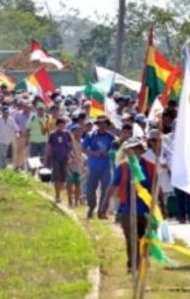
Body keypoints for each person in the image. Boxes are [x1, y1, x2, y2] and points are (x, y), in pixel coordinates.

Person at [100, 137, 158, 272]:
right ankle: (133, 265)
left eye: (137, 149)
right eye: (131, 150)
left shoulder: (150, 166)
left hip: (146, 209)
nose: (134, 152)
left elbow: (156, 187)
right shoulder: (123, 167)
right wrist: (104, 204)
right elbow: (113, 186)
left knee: (145, 238)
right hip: (127, 208)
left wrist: (161, 205)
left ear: (141, 150)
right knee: (131, 238)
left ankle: (143, 262)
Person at [82, 115, 115, 219]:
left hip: (106, 166)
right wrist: (93, 153)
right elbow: (83, 148)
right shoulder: (90, 135)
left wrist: (108, 153)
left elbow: (114, 150)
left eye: (104, 123)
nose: (102, 125)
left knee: (105, 189)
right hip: (93, 166)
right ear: (97, 124)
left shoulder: (111, 137)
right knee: (90, 189)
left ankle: (101, 211)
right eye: (100, 123)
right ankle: (92, 207)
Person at [46, 118, 72, 203]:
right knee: (56, 177)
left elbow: (71, 145)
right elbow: (49, 147)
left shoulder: (67, 134)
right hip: (55, 158)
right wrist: (47, 159)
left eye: (63, 125)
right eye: (60, 125)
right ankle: (57, 195)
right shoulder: (52, 135)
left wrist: (71, 155)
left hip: (65, 158)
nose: (62, 127)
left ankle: (59, 192)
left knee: (63, 178)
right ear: (56, 125)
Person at [67, 124, 85, 207]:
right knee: (69, 183)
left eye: (80, 131)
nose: (78, 133)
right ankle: (70, 201)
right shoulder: (70, 141)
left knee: (78, 184)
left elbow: (82, 153)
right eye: (76, 131)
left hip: (78, 165)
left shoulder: (82, 142)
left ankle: (76, 202)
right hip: (70, 165)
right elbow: (67, 151)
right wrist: (71, 157)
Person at [13, 101, 31, 170]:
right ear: (23, 107)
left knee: (27, 152)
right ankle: (17, 166)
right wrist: (18, 130)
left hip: (29, 135)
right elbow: (14, 123)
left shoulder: (32, 115)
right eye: (26, 107)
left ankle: (24, 166)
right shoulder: (18, 114)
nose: (27, 108)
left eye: (29, 107)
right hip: (20, 135)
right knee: (18, 151)